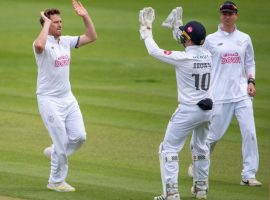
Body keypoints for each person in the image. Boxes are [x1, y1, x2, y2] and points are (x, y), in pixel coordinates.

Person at [139, 7, 213, 200]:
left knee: (168, 149)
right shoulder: (208, 54)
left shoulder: (183, 58)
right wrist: (178, 27)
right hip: (208, 110)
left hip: (188, 111)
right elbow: (190, 45)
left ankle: (171, 193)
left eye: (184, 36)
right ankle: (201, 188)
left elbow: (154, 51)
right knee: (201, 147)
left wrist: (146, 29)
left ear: (188, 39)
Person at [188, 1, 262, 186]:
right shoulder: (211, 40)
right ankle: (197, 161)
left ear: (236, 15)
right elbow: (199, 60)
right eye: (224, 13)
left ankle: (248, 174)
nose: (227, 16)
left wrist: (251, 81)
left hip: (242, 93)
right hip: (219, 94)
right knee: (213, 136)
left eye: (230, 13)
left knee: (250, 133)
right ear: (220, 15)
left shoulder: (244, 38)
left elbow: (250, 62)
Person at [33, 0, 97, 192]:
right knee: (61, 141)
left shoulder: (66, 41)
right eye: (55, 22)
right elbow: (39, 45)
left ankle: (54, 152)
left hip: (68, 98)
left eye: (60, 21)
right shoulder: (42, 44)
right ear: (46, 24)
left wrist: (85, 16)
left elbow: (91, 36)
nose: (60, 24)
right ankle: (55, 181)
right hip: (48, 100)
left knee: (79, 137)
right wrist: (45, 24)